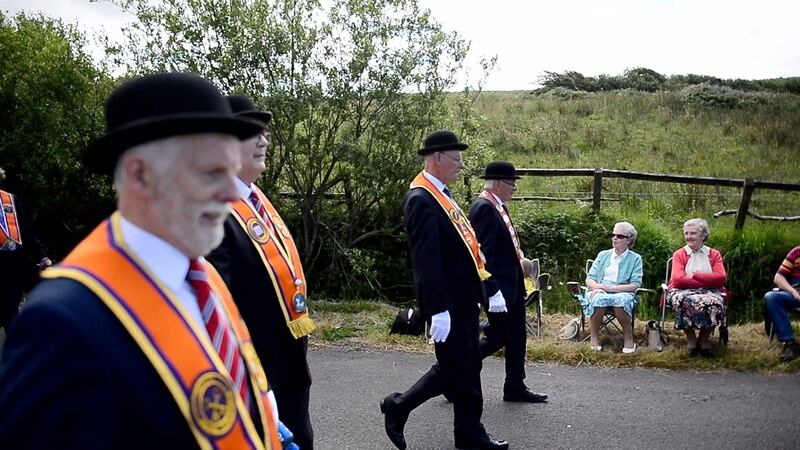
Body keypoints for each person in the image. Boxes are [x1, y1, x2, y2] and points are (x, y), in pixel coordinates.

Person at [0, 73, 290, 449]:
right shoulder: (62, 320)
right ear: (141, 176)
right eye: (212, 172)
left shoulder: (202, 277)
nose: (229, 193)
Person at [380, 130, 508, 450]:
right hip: (447, 304)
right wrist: (437, 309)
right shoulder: (421, 199)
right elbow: (427, 261)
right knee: (458, 368)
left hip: (464, 300)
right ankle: (403, 408)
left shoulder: (442, 194)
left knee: (464, 367)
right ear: (437, 158)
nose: (462, 165)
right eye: (457, 159)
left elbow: (467, 248)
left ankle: (465, 431)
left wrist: (488, 288)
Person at [207, 94, 317, 449]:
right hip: (256, 368)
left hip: (287, 364)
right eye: (251, 133)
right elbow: (217, 310)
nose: (264, 140)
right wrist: (249, 379)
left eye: (264, 133)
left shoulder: (256, 199)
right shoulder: (214, 209)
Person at [468, 161, 547, 403]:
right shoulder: (484, 207)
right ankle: (453, 371)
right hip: (498, 287)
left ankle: (514, 385)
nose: (514, 188)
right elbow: (483, 255)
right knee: (498, 336)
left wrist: (519, 259)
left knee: (516, 336)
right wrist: (492, 292)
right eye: (512, 184)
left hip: (513, 285)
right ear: (500, 183)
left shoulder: (497, 205)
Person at [0, 167, 52, 331]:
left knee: (12, 318)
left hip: (13, 270)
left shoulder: (10, 200)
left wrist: (42, 256)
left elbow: (26, 231)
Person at [666, 218, 727, 357]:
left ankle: (703, 340)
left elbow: (721, 278)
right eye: (686, 233)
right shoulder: (679, 254)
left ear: (703, 235)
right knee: (683, 300)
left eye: (692, 233)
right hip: (682, 291)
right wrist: (707, 280)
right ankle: (691, 340)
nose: (688, 237)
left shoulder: (714, 254)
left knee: (715, 302)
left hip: (710, 291)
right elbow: (678, 280)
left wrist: (694, 276)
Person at [581, 221, 643, 353]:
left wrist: (613, 289)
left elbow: (635, 285)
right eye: (613, 235)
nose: (615, 238)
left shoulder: (635, 258)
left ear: (629, 240)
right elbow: (589, 278)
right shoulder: (603, 255)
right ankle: (594, 336)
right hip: (601, 288)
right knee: (598, 299)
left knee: (620, 300)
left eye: (620, 236)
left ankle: (628, 337)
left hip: (622, 290)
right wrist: (597, 286)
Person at [764, 245, 800, 362]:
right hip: (795, 294)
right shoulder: (796, 252)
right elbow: (778, 278)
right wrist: (793, 291)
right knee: (771, 297)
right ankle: (790, 343)